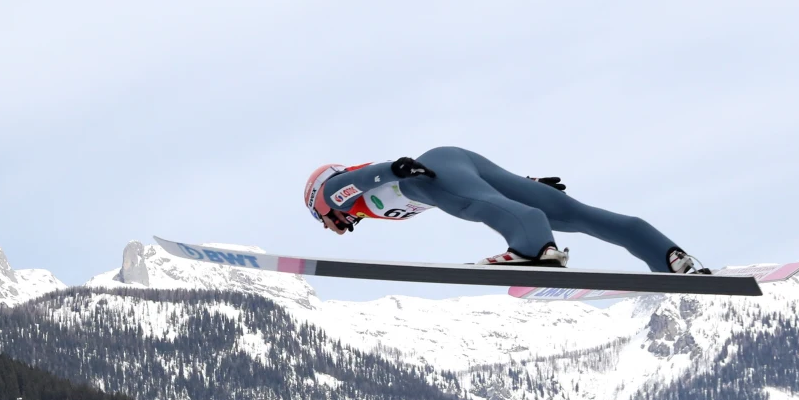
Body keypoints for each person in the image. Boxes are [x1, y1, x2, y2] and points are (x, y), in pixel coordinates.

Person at [303, 146, 708, 273]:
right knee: (573, 213)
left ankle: (532, 248)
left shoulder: (336, 194)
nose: (330, 225)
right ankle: (669, 256)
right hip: (458, 161)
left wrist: (392, 169)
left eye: (321, 220)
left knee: (472, 205)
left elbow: (343, 186)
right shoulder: (362, 206)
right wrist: (528, 185)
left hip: (430, 171)